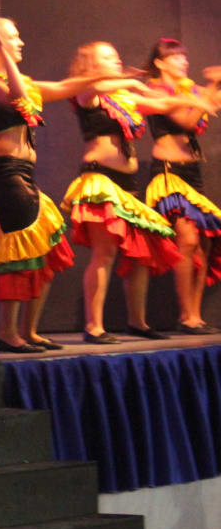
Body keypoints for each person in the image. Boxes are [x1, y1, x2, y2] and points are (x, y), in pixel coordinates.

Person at [0, 18, 115, 354]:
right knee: (20, 250)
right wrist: (5, 59)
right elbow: (17, 99)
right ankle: (7, 333)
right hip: (5, 174)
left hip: (22, 173)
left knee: (43, 250)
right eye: (13, 37)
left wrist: (107, 76)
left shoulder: (19, 80)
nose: (21, 43)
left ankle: (28, 331)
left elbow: (64, 87)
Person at [60, 42, 206, 344]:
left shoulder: (123, 98)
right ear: (90, 64)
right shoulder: (87, 93)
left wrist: (198, 99)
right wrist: (129, 81)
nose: (116, 60)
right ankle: (94, 326)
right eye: (108, 57)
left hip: (127, 185)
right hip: (100, 180)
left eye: (116, 56)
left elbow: (162, 106)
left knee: (139, 256)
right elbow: (93, 86)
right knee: (104, 253)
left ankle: (137, 322)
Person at [143, 37, 221, 334]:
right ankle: (186, 316)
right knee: (187, 241)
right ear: (160, 63)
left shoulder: (190, 91)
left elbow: (211, 103)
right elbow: (188, 121)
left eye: (184, 57)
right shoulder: (157, 91)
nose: (184, 62)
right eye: (176, 57)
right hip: (169, 172)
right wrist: (212, 86)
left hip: (193, 174)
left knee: (204, 244)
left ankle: (195, 315)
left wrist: (215, 87)